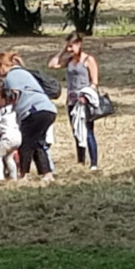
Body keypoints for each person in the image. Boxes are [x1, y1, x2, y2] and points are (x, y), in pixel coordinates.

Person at [0, 51, 57, 183]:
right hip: (48, 109)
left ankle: (24, 174)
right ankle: (47, 174)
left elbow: (13, 95)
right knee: (38, 142)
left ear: (2, 65)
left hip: (34, 111)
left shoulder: (13, 75)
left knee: (26, 144)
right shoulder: (24, 73)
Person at [48, 31, 100, 170]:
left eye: (72, 46)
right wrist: (63, 51)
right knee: (76, 130)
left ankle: (93, 162)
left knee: (88, 130)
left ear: (79, 44)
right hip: (71, 101)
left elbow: (94, 82)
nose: (70, 49)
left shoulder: (88, 60)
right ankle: (81, 160)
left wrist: (86, 96)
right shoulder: (70, 60)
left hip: (84, 101)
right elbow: (52, 65)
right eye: (68, 46)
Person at [0, 81, 21, 182]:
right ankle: (13, 177)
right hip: (17, 138)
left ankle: (0, 177)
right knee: (9, 157)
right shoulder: (15, 110)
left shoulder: (1, 111)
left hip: (7, 138)